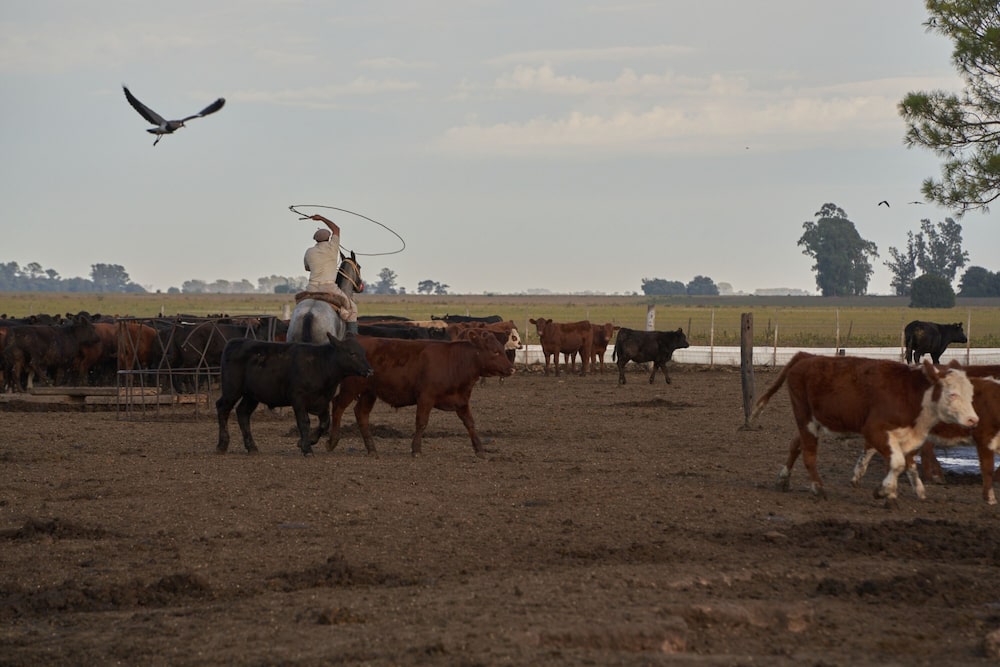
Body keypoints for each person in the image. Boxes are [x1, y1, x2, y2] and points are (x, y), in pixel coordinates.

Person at [303, 214, 359, 335]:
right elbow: (336, 229)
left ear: (315, 240)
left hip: (311, 288)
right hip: (329, 287)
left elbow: (307, 268)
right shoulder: (332, 247)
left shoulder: (309, 251)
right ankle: (352, 339)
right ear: (329, 238)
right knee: (353, 309)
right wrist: (321, 218)